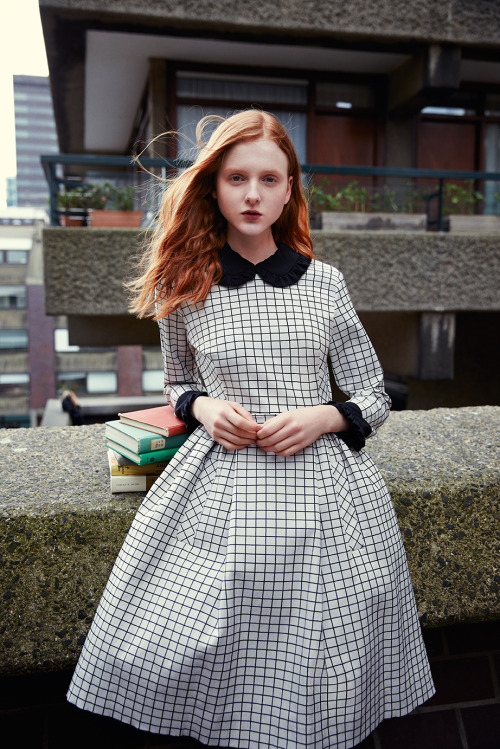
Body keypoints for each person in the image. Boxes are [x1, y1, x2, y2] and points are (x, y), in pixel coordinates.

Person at [67, 111, 435, 748]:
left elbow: (374, 393)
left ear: (291, 189)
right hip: (218, 483)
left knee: (320, 654)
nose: (253, 194)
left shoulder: (325, 285)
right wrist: (205, 409)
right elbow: (177, 382)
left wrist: (325, 416)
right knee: (211, 648)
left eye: (270, 178)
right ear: (214, 186)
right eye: (237, 178)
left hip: (323, 493)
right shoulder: (188, 282)